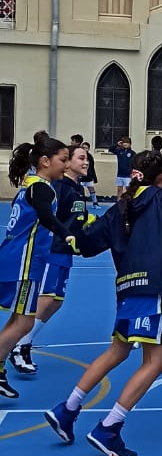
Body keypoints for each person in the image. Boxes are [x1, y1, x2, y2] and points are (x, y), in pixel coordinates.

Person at [44, 149, 162, 456]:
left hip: (126, 288)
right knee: (156, 362)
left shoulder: (120, 207)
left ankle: (68, 408)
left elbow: (88, 242)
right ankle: (109, 427)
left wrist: (70, 233)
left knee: (118, 350)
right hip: (153, 286)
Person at [9, 140, 94, 377]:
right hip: (52, 248)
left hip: (66, 249)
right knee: (46, 299)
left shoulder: (78, 190)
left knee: (56, 300)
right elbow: (48, 217)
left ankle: (23, 341)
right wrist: (66, 234)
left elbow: (77, 218)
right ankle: (20, 344)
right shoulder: (56, 187)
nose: (85, 162)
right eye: (79, 158)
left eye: (86, 158)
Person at [0, 132, 73, 400]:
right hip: (22, 263)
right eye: (62, 159)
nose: (66, 165)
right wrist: (65, 233)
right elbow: (45, 215)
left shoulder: (31, 184)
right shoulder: (41, 188)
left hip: (18, 260)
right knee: (24, 323)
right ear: (45, 161)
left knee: (19, 320)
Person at [110, 134, 135, 200]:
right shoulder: (119, 151)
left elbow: (135, 163)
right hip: (120, 174)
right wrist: (117, 144)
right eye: (124, 142)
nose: (125, 144)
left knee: (128, 190)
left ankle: (129, 202)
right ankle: (118, 203)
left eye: (127, 142)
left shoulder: (132, 153)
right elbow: (110, 149)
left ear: (130, 144)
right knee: (119, 190)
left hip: (128, 175)